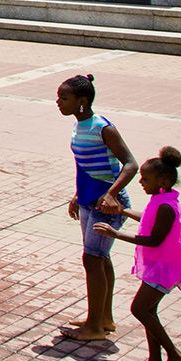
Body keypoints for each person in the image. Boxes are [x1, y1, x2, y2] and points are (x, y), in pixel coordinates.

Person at [94, 148, 181, 361]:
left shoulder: (166, 207)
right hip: (160, 265)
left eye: (146, 179)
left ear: (163, 181)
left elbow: (154, 239)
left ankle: (174, 354)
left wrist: (115, 234)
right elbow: (147, 218)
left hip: (166, 268)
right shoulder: (161, 200)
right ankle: (155, 359)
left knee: (139, 308)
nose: (141, 182)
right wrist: (123, 210)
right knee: (149, 310)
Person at [57, 72, 139, 342]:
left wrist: (112, 194)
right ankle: (102, 318)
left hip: (108, 205)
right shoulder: (79, 125)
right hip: (89, 201)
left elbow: (130, 164)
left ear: (82, 100)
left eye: (64, 98)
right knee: (98, 259)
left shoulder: (102, 127)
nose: (58, 102)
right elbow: (86, 165)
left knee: (93, 259)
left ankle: (94, 327)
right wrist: (77, 195)